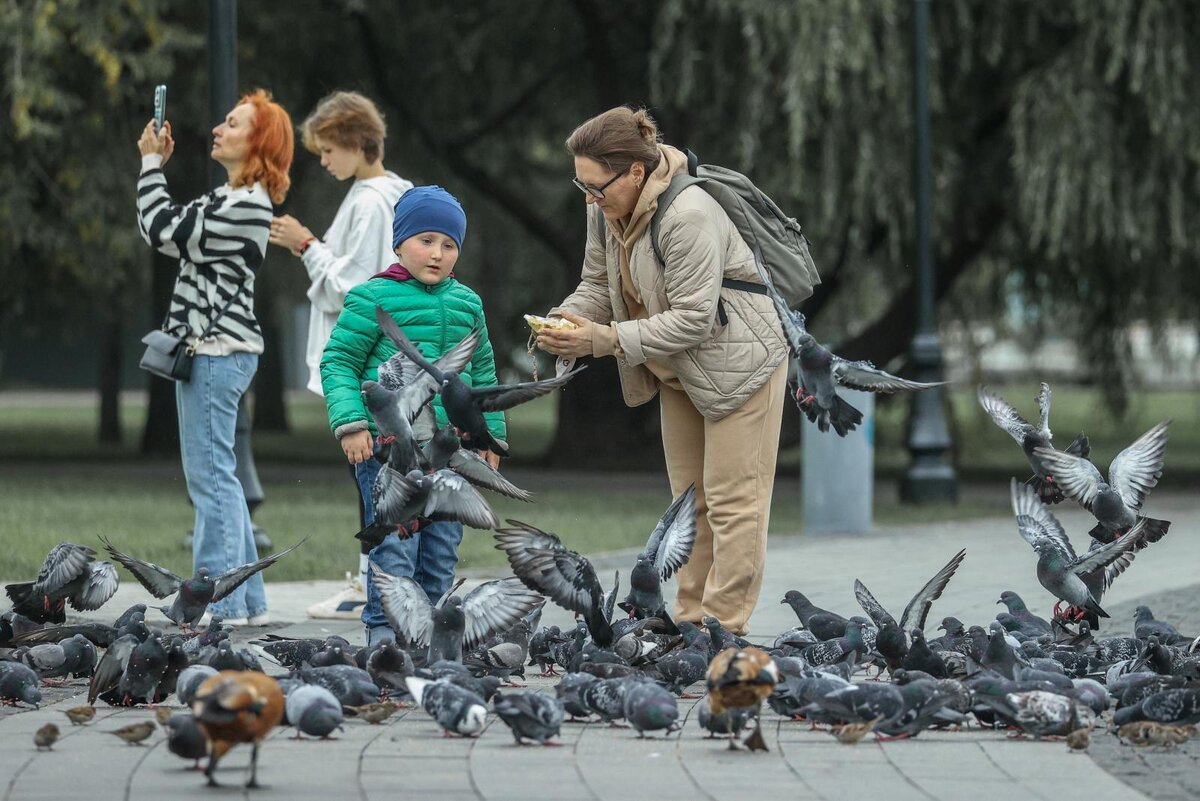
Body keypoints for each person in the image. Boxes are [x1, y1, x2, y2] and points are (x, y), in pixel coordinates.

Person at [536, 106, 788, 636]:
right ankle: (691, 619)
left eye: (596, 186)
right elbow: (598, 283)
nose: (589, 198)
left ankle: (724, 629)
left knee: (732, 500)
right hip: (681, 369)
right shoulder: (604, 207)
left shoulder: (689, 214)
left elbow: (694, 319)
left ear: (634, 171)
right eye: (580, 185)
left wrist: (602, 340)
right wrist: (566, 319)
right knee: (688, 503)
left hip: (742, 365)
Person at [319, 186, 505, 646]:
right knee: (395, 546)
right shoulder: (370, 298)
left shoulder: (468, 303)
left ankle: (432, 641)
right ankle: (385, 639)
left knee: (440, 552)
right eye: (426, 240)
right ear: (399, 243)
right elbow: (338, 361)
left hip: (448, 455)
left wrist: (490, 439)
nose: (438, 253)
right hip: (388, 454)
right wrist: (352, 424)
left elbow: (482, 373)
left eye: (449, 244)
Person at [135, 90, 295, 625]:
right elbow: (167, 226)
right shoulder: (226, 199)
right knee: (218, 477)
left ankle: (215, 603)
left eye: (234, 124)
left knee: (209, 479)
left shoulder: (244, 204)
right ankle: (245, 601)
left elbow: (160, 230)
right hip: (217, 353)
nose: (219, 129)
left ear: (259, 143)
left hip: (216, 353)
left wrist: (151, 162)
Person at [268, 91, 413, 620]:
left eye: (328, 149)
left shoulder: (374, 201)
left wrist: (306, 245)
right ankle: (377, 579)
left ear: (355, 141)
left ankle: (375, 585)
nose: (323, 161)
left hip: (367, 360)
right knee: (377, 470)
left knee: (371, 471)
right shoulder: (391, 191)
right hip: (387, 359)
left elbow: (358, 286)